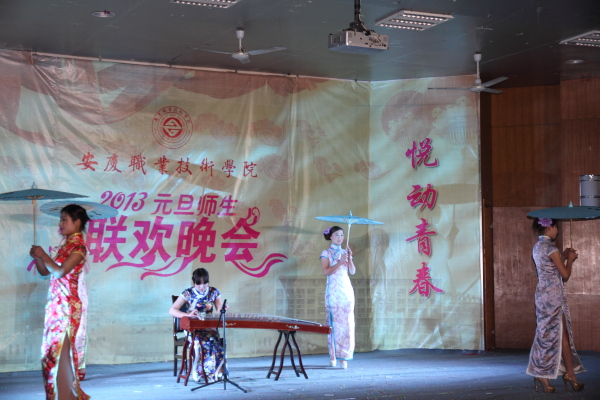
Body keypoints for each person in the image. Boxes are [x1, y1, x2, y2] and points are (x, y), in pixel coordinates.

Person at [30, 204, 91, 400]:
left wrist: (43, 255)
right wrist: (38, 258)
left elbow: (60, 272)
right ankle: (63, 395)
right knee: (52, 353)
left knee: (61, 353)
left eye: (65, 220)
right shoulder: (64, 246)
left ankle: (66, 395)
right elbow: (45, 271)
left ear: (77, 222)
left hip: (68, 307)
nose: (61, 223)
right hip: (56, 306)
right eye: (61, 219)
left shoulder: (79, 248)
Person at [526, 217, 585, 393]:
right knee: (548, 336)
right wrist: (570, 260)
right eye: (556, 227)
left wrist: (564, 256)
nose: (557, 231)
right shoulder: (551, 248)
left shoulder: (538, 247)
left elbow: (550, 266)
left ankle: (570, 373)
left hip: (543, 295)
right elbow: (565, 274)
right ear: (549, 227)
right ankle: (542, 373)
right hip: (553, 298)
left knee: (559, 335)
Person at [169, 268, 226, 383]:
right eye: (198, 284)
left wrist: (224, 309)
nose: (202, 287)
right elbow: (172, 310)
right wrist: (188, 315)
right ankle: (203, 373)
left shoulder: (214, 292)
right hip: (193, 329)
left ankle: (217, 372)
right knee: (204, 342)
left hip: (209, 328)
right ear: (194, 282)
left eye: (205, 283)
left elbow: (219, 311)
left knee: (217, 343)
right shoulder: (188, 293)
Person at [320, 226, 355, 369]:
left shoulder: (345, 252)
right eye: (337, 235)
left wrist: (349, 258)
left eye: (342, 235)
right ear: (330, 236)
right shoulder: (326, 253)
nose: (340, 238)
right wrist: (339, 262)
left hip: (346, 290)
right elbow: (326, 272)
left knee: (347, 322)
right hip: (333, 291)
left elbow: (352, 271)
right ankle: (333, 355)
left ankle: (344, 356)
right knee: (333, 324)